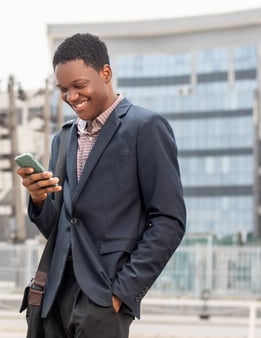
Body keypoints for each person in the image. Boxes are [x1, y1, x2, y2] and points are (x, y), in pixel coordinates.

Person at [16, 33, 186, 337]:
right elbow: (62, 226)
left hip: (103, 297)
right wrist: (39, 199)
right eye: (64, 90)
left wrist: (122, 293)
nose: (71, 97)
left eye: (79, 86)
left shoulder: (145, 128)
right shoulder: (63, 139)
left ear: (105, 74)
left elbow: (169, 220)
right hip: (52, 293)